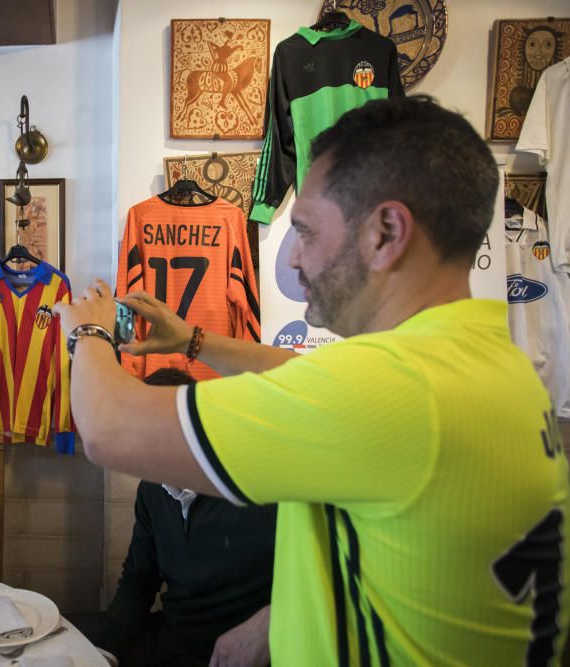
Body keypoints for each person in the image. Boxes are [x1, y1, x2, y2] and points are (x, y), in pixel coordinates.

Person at [53, 96, 570, 665]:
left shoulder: (388, 388)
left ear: (385, 232)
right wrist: (191, 342)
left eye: (305, 231)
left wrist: (89, 332)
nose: (294, 258)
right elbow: (314, 385)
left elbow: (108, 431)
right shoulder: (485, 363)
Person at [73, 367, 276, 667]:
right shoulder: (153, 491)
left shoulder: (258, 489)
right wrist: (105, 651)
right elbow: (139, 580)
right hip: (173, 637)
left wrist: (268, 629)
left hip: (240, 651)